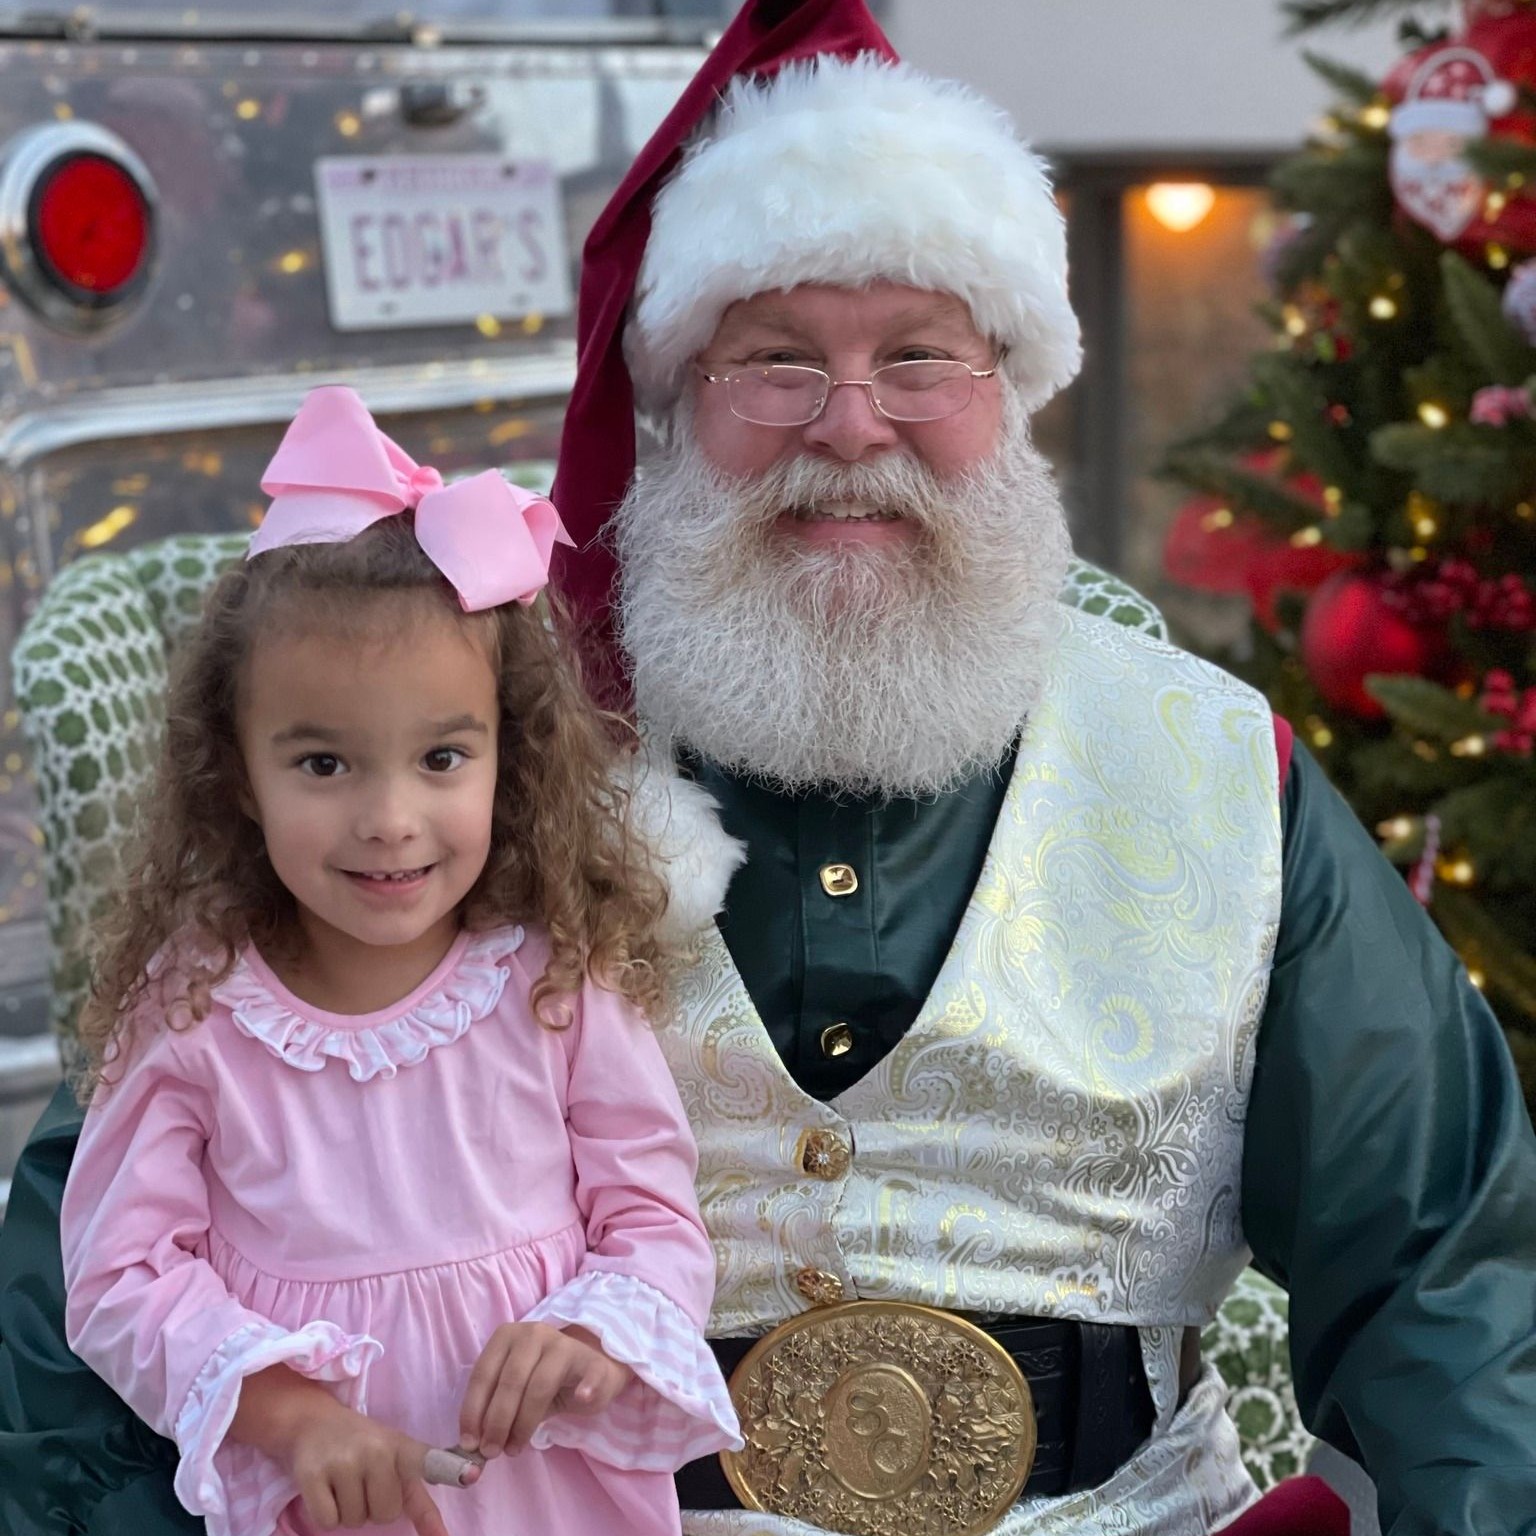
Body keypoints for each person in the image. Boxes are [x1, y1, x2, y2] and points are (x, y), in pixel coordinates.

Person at [2, 3, 1534, 1535]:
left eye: (919, 357)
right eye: (776, 363)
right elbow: (93, 1287)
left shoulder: (1219, 772)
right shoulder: (448, 759)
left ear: (1013, 387)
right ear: (675, 401)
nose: (851, 427)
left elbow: (1449, 1272)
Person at [44, 385, 740, 1536]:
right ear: (237, 774)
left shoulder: (555, 978)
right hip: (332, 1502)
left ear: (508, 758)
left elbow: (655, 1223)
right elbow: (120, 1278)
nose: (389, 820)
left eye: (441, 758)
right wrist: (288, 1416)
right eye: (324, 765)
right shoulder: (196, 1009)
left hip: (552, 1495)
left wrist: (592, 1335)